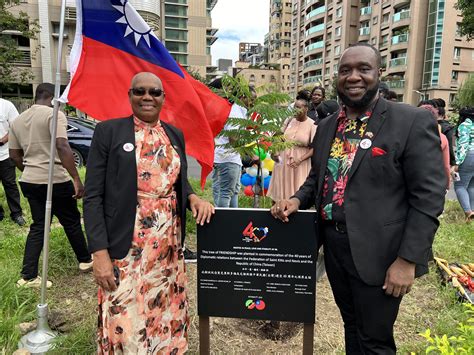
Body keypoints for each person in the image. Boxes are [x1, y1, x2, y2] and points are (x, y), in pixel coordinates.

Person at [271, 43, 446, 354]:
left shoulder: (409, 122)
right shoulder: (326, 126)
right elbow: (318, 177)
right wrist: (297, 200)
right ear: (336, 78)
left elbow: (428, 197)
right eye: (345, 70)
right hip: (334, 248)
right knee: (351, 326)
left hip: (380, 253)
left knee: (374, 340)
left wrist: (408, 260)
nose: (353, 76)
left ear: (379, 73)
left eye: (363, 69)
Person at [84, 72, 214, 354]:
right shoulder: (109, 132)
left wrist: (192, 196)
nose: (147, 97)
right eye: (139, 91)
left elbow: (177, 178)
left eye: (154, 92)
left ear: (163, 98)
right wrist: (99, 252)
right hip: (126, 245)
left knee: (161, 308)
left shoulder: (173, 133)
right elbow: (92, 195)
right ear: (129, 95)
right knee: (125, 309)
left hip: (166, 248)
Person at [9, 83, 93, 288]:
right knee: (71, 221)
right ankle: (84, 260)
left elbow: (14, 155)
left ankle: (28, 276)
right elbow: (63, 145)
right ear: (53, 98)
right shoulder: (54, 115)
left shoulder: (18, 120)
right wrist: (76, 178)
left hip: (29, 180)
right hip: (55, 179)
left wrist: (30, 169)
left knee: (39, 226)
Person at [267, 98, 316, 202]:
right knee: (280, 189)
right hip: (282, 161)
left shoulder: (312, 124)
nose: (295, 110)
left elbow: (314, 148)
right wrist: (275, 151)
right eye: (294, 107)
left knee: (298, 191)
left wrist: (300, 160)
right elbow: (278, 137)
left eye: (298, 107)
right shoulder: (289, 120)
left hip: (299, 163)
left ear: (306, 109)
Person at [209, 78, 246, 209]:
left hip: (223, 157)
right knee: (226, 193)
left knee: (231, 192)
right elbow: (233, 138)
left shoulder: (221, 108)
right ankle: (223, 224)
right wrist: (248, 151)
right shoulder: (234, 110)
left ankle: (231, 223)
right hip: (228, 158)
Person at [0, 98, 25, 226]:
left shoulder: (6, 105)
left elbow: (15, 128)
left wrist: (2, 141)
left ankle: (16, 213)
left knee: (10, 184)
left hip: (4, 154)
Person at [419, 104, 451, 189]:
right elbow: (446, 166)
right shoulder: (442, 138)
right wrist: (447, 184)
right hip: (433, 180)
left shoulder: (408, 135)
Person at [453, 107, 474, 222]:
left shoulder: (465, 125)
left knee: (459, 185)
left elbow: (463, 145)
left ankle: (468, 212)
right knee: (472, 186)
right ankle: (472, 213)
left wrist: (458, 162)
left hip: (469, 156)